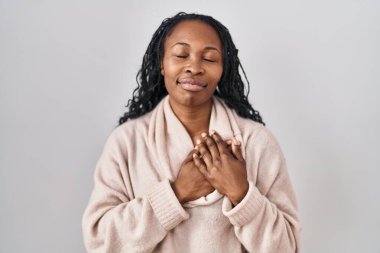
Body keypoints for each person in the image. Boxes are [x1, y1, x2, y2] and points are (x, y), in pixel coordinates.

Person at [82, 12, 301, 253]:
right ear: (162, 64)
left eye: (209, 58)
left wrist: (242, 193)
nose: (194, 67)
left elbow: (287, 247)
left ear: (223, 70)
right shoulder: (126, 142)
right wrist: (177, 193)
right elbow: (99, 242)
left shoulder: (257, 143)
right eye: (181, 55)